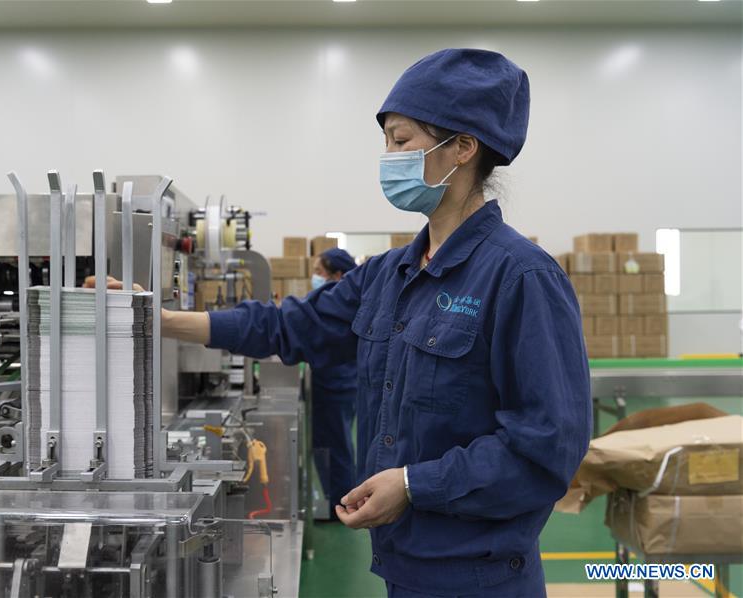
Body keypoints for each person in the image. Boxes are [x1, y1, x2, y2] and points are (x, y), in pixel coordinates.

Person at [152, 48, 590, 596]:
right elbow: (291, 326)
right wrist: (161, 319)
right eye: (386, 142)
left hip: (480, 576)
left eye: (402, 141)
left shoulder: (521, 277)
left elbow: (546, 447)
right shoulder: (388, 274)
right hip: (402, 567)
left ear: (463, 147)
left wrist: (413, 484)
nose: (389, 157)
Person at [310, 248, 359, 519]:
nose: (315, 277)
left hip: (337, 385)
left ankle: (341, 504)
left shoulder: (340, 306)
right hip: (336, 382)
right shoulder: (338, 301)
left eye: (319, 272)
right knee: (333, 444)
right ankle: (337, 499)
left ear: (338, 275)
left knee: (336, 446)